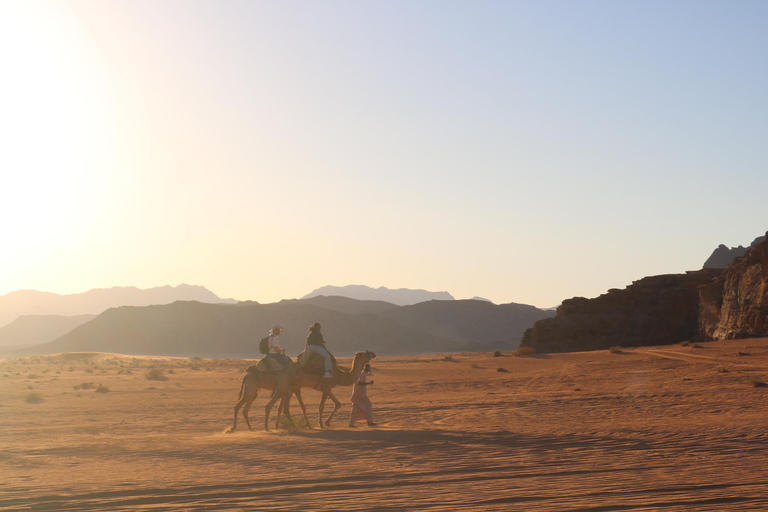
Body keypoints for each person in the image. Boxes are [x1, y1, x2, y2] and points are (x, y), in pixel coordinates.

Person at [349, 363, 377, 427]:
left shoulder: (362, 373)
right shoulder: (362, 374)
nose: (369, 369)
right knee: (368, 405)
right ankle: (369, 422)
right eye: (368, 367)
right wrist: (369, 383)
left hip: (358, 393)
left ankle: (351, 423)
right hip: (359, 394)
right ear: (365, 368)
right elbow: (360, 383)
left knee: (355, 408)